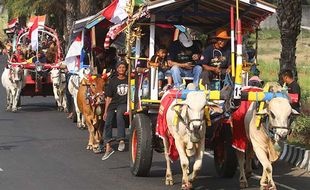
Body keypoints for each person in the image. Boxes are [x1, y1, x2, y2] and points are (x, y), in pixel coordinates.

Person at [102, 62, 128, 161]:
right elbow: (108, 97)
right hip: (113, 103)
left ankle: (121, 139)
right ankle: (108, 146)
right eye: (120, 67)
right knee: (108, 120)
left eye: (123, 67)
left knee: (120, 115)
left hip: (124, 103)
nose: (121, 69)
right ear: (117, 69)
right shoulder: (112, 81)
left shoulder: (129, 79)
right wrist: (105, 111)